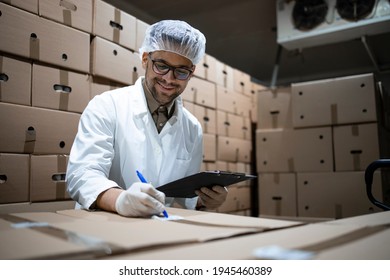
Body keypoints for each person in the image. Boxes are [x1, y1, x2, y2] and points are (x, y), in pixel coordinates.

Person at [66, 20, 228, 217]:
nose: (169, 78)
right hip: (102, 226)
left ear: (191, 72)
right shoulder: (107, 106)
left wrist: (206, 200)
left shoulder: (192, 128)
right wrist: (120, 200)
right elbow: (82, 175)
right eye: (161, 66)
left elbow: (187, 197)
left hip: (155, 231)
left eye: (181, 71)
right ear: (145, 59)